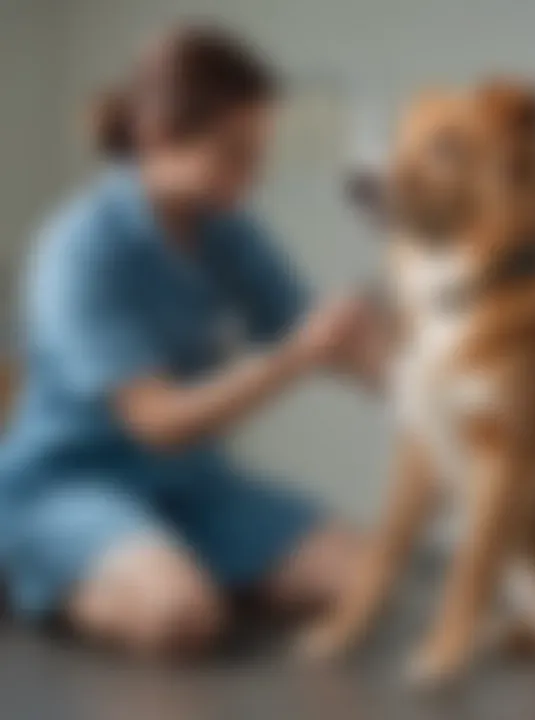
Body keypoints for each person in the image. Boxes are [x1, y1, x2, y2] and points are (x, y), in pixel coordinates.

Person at [0, 24, 382, 657]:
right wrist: (295, 357)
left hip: (190, 484)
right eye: (234, 154)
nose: (251, 177)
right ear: (156, 138)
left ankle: (164, 559)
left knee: (372, 576)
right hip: (68, 485)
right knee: (181, 617)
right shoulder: (77, 250)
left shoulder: (226, 227)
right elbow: (157, 421)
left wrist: (423, 378)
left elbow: (320, 332)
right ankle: (33, 564)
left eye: (258, 154)